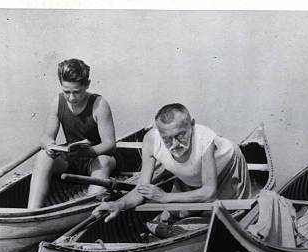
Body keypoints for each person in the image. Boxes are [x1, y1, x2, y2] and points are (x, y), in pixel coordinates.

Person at [92, 103, 251, 223]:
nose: (174, 143)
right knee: (172, 218)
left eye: (181, 135)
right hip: (192, 175)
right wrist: (118, 204)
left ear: (192, 125)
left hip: (227, 168)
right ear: (158, 131)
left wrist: (165, 197)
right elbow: (141, 190)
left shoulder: (204, 139)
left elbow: (209, 192)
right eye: (167, 138)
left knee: (229, 217)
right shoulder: (150, 140)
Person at [27, 58, 117, 208]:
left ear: (87, 85)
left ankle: (88, 208)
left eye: (77, 92)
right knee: (43, 156)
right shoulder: (58, 102)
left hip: (95, 157)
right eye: (66, 91)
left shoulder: (100, 104)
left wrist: (88, 152)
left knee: (103, 162)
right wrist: (49, 145)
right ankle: (32, 211)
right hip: (73, 157)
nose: (71, 97)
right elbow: (46, 136)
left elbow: (110, 144)